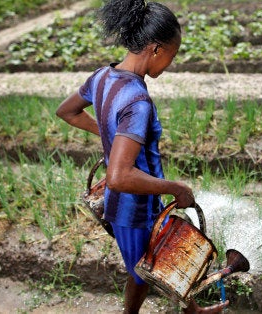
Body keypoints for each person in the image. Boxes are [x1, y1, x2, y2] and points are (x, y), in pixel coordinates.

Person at [56, 0, 228, 313]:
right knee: (142, 272)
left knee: (152, 259)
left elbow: (66, 111)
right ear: (155, 49)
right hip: (133, 206)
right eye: (172, 56)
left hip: (125, 202)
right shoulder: (138, 102)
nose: (170, 64)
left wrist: (110, 136)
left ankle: (194, 312)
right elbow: (120, 176)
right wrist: (176, 188)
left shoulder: (102, 77)